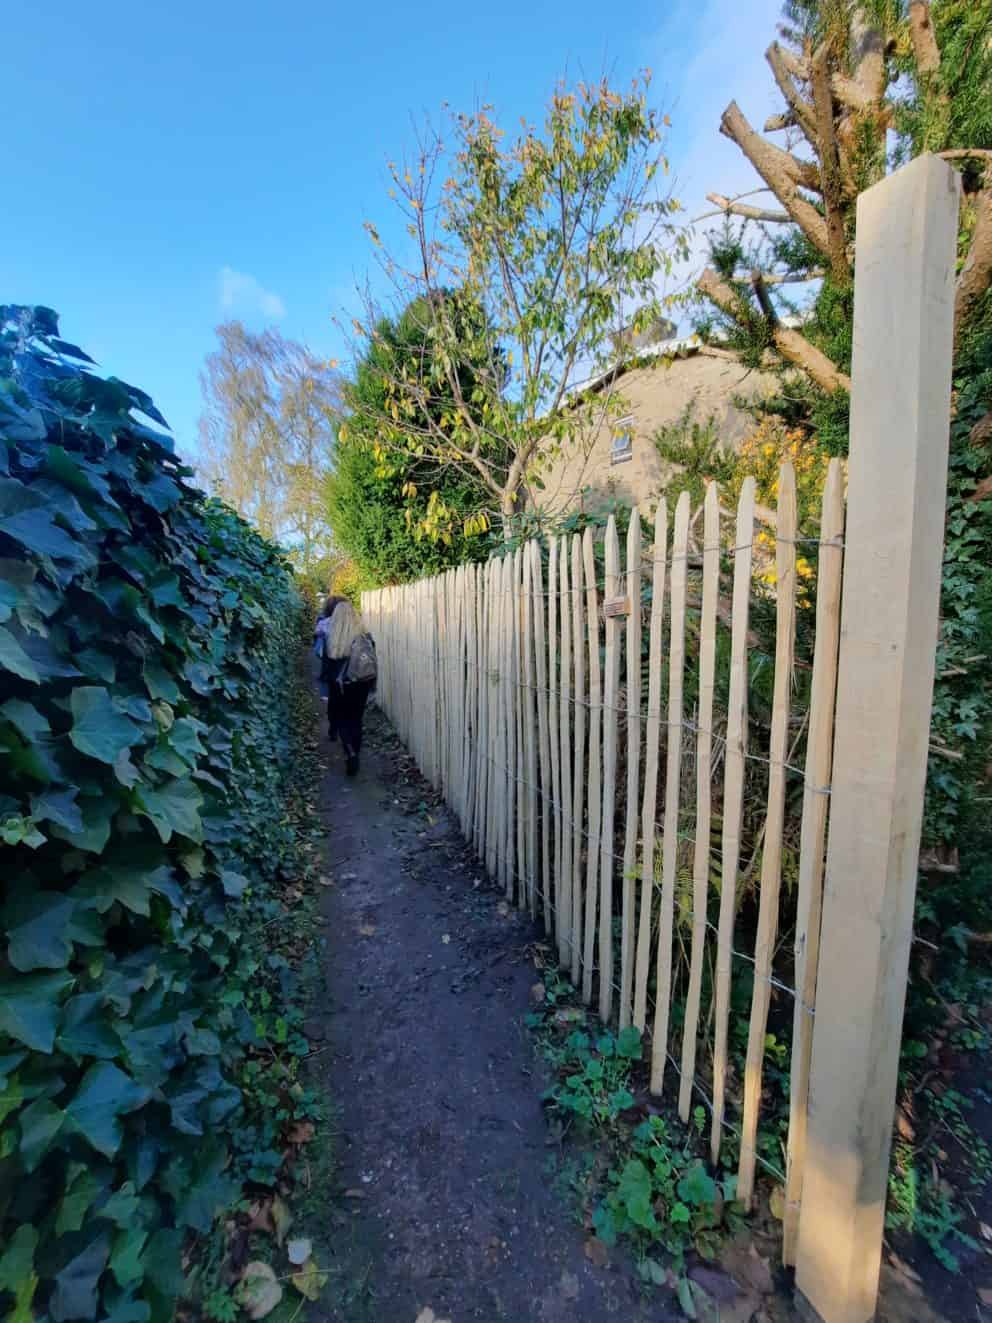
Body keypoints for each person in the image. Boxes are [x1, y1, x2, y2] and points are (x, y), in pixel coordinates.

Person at [322, 599, 376, 776]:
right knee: (357, 718)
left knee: (343, 719)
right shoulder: (364, 635)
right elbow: (372, 660)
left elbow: (328, 666)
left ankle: (349, 751)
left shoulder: (332, 638)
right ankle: (356, 752)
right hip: (362, 682)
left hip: (341, 684)